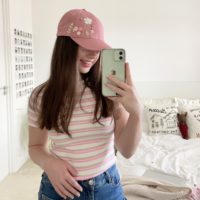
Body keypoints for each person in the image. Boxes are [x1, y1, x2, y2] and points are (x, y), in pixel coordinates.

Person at [28, 8, 142, 200]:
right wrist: (49, 163)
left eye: (97, 48)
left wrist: (137, 112)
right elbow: (35, 146)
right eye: (85, 45)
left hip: (107, 186)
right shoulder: (41, 96)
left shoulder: (108, 92)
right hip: (60, 188)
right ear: (65, 45)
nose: (93, 54)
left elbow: (127, 151)